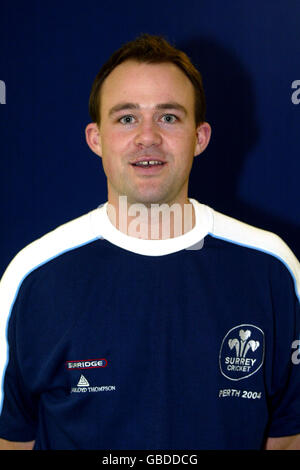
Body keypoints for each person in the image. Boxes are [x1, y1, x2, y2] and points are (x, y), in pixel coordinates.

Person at [0, 34, 299, 450]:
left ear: (200, 137)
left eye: (169, 117)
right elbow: (12, 441)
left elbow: (287, 437)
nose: (147, 137)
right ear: (95, 139)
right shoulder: (31, 275)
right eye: (126, 118)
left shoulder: (272, 267)